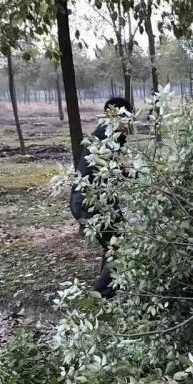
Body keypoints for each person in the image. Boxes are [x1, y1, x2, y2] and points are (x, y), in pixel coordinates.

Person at [70, 97, 133, 298]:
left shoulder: (108, 134)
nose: (128, 124)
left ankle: (110, 289)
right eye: (127, 118)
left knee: (115, 243)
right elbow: (122, 169)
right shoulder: (107, 137)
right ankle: (101, 296)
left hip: (94, 201)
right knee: (119, 244)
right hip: (90, 203)